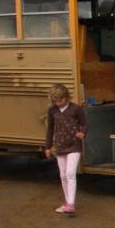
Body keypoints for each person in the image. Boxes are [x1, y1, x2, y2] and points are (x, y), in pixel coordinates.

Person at [44, 84, 87, 216]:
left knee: (70, 173)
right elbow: (50, 129)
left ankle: (71, 205)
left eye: (60, 100)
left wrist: (82, 133)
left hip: (74, 145)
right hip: (60, 146)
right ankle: (68, 202)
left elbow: (84, 124)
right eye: (55, 101)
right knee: (63, 175)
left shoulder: (76, 109)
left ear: (66, 97)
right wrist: (48, 146)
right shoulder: (52, 110)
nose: (58, 103)